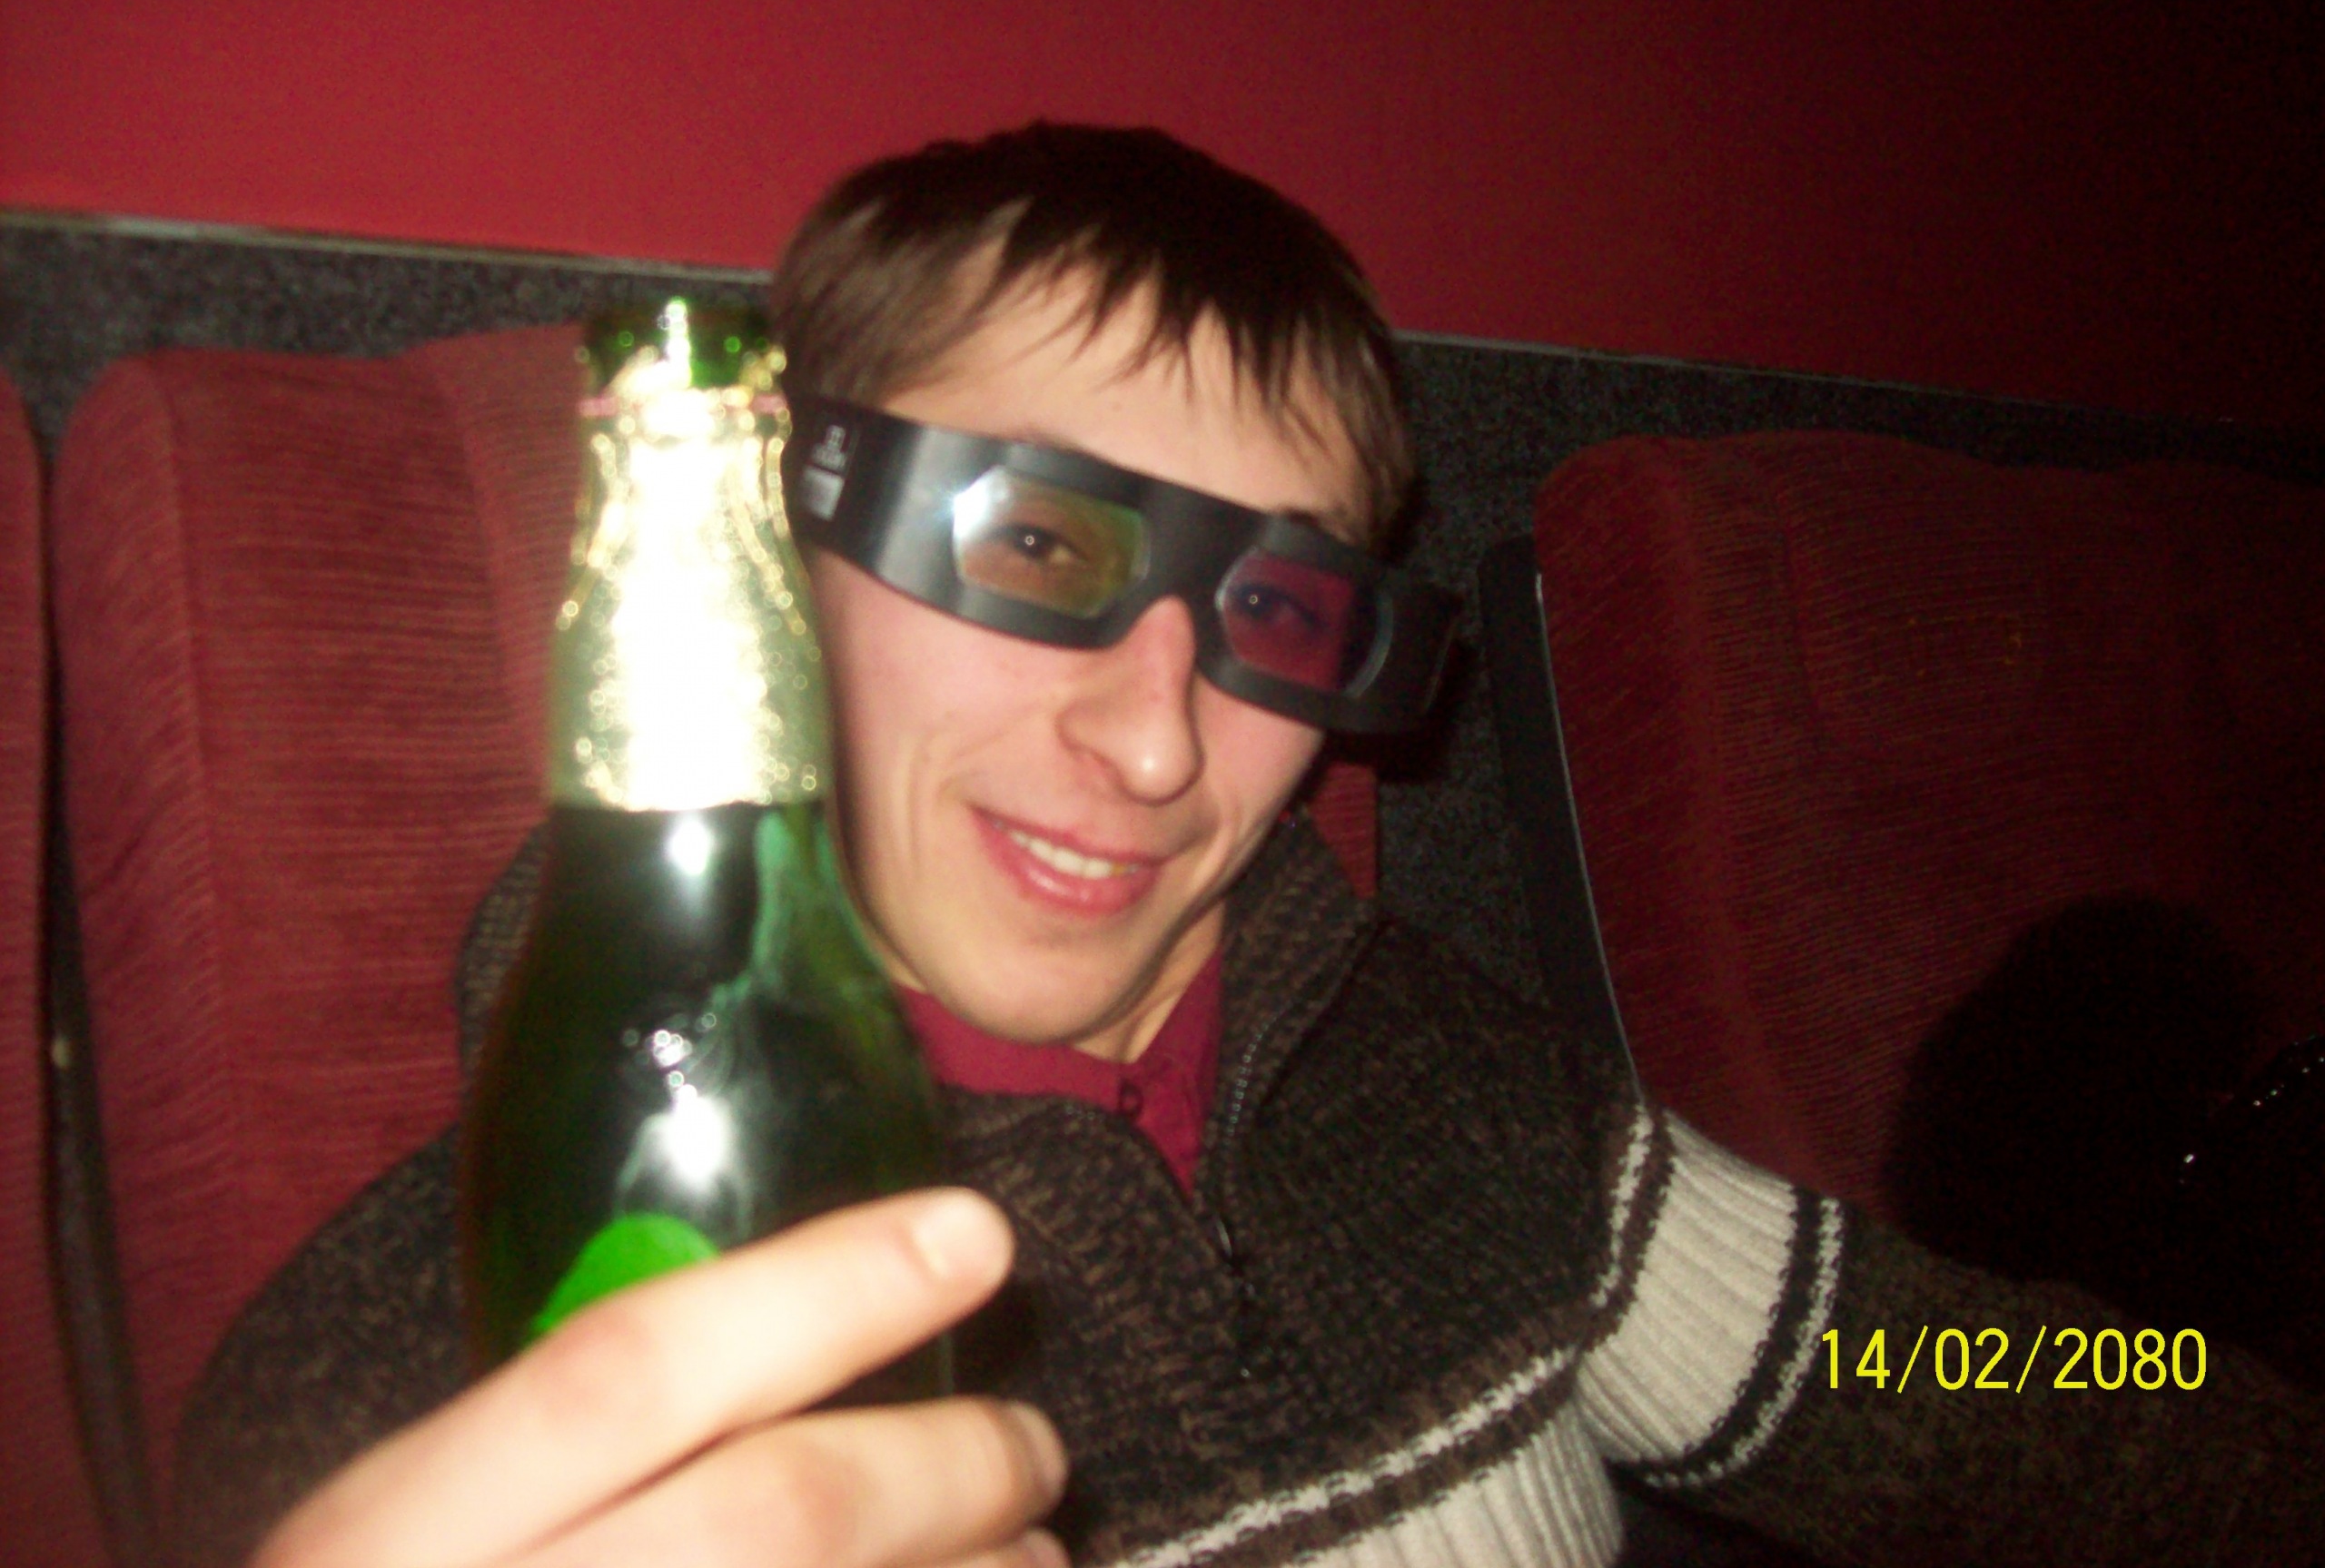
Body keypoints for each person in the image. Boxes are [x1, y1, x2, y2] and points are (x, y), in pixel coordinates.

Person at [179, 123, 2323, 1568]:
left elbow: (1943, 1370)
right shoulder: (405, 1392)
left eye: (1280, 615)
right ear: (774, 546)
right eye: (1035, 542)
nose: (1148, 741)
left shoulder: (1448, 1082)